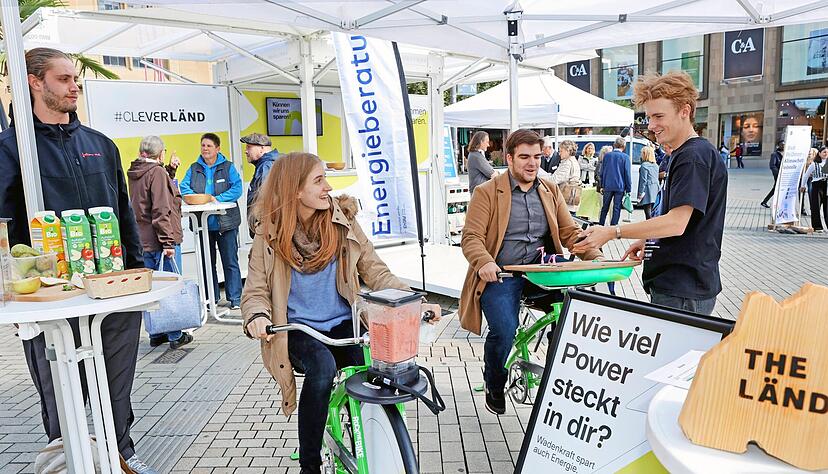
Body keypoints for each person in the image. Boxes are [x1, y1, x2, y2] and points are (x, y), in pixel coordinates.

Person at [0, 48, 155, 473]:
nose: (75, 86)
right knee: (59, 391)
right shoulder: (12, 150)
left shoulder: (100, 145)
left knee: (116, 385)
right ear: (35, 82)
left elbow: (124, 215)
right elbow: (4, 228)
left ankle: (123, 453)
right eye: (65, 78)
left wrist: (138, 273)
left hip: (112, 291)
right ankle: (65, 456)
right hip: (52, 299)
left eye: (75, 79)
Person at [241, 152, 420, 474]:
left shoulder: (343, 221)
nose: (328, 187)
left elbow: (375, 270)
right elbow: (254, 291)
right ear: (295, 189)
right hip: (296, 329)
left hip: (344, 322)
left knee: (373, 367)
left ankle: (377, 441)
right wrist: (257, 317)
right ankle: (309, 464)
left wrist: (410, 299)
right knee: (321, 370)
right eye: (318, 180)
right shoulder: (268, 234)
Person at [459, 129, 603, 415]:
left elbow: (568, 230)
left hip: (542, 273)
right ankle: (494, 382)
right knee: (504, 330)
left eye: (537, 157)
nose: (532, 163)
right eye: (524, 157)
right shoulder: (487, 192)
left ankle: (555, 377)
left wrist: (595, 255)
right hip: (502, 275)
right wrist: (485, 261)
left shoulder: (549, 190)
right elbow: (471, 237)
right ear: (509, 158)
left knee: (571, 315)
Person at [574, 71, 728, 316]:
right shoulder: (686, 153)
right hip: (680, 285)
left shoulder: (692, 156)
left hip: (683, 287)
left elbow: (676, 223)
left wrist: (612, 231)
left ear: (685, 111)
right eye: (648, 117)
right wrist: (649, 240)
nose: (652, 125)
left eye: (659, 116)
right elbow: (687, 222)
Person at [127, 135, 192, 349]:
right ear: (160, 153)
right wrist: (168, 243)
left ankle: (156, 333)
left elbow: (152, 194)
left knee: (151, 288)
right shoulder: (156, 173)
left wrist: (170, 172)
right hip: (159, 240)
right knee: (169, 287)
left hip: (142, 239)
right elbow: (161, 209)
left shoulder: (137, 171)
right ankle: (175, 334)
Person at [180, 133, 244, 309]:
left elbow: (237, 188)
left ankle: (235, 298)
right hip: (203, 224)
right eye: (203, 145)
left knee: (230, 261)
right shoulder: (194, 168)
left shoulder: (228, 167)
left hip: (225, 223)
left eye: (209, 146)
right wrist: (198, 198)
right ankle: (211, 298)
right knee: (207, 262)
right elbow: (184, 187)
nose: (205, 149)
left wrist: (217, 199)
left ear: (217, 148)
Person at [241, 132, 279, 237]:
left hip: (265, 228)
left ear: (262, 148)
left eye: (249, 147)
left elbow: (264, 198)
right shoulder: (268, 164)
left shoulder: (266, 166)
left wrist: (258, 225)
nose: (246, 151)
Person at [598, 137, 632, 226]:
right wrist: (628, 188)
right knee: (616, 208)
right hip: (620, 186)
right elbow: (627, 174)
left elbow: (602, 172)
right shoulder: (625, 157)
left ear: (614, 145)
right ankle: (613, 227)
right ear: (624, 146)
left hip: (608, 186)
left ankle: (601, 225)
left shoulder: (607, 156)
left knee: (605, 207)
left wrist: (602, 185)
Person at [801, 146, 828, 232]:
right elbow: (806, 175)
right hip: (817, 185)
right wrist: (803, 185)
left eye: (827, 152)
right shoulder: (814, 164)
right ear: (819, 154)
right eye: (824, 152)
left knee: (827, 208)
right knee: (816, 207)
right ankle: (817, 227)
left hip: (827, 186)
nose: (826, 153)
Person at [551, 139, 582, 213]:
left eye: (561, 151)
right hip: (571, 200)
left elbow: (554, 180)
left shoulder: (567, 163)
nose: (559, 153)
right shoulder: (573, 161)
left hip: (566, 201)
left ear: (568, 150)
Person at [638, 146, 660, 219]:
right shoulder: (656, 165)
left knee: (647, 212)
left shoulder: (644, 166)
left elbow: (643, 181)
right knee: (654, 211)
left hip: (647, 190)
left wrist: (640, 193)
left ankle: (649, 227)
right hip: (656, 189)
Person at [760, 140, 784, 209]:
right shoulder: (775, 154)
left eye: (784, 144)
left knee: (776, 189)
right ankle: (767, 202)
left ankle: (764, 202)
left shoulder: (786, 154)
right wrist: (778, 173)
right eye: (781, 144)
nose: (783, 146)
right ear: (778, 145)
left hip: (785, 175)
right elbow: (772, 165)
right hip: (778, 175)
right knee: (776, 188)